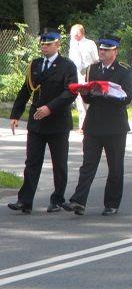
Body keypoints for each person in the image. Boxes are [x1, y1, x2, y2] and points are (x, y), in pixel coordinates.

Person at [63, 35, 132, 216]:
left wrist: (107, 92)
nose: (101, 52)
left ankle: (112, 203)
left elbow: (127, 97)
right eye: (101, 49)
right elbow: (87, 97)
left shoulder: (125, 70)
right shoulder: (93, 69)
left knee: (115, 166)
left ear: (115, 52)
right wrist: (85, 92)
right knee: (88, 164)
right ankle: (78, 201)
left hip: (115, 125)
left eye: (106, 50)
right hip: (94, 124)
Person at [8, 29, 78, 214]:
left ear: (57, 45)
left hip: (58, 122)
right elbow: (26, 90)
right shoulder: (36, 65)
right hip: (37, 122)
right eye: (42, 44)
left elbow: (71, 92)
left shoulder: (67, 66)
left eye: (48, 44)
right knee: (32, 162)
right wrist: (16, 114)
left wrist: (50, 107)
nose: (44, 47)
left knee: (59, 164)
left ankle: (57, 199)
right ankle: (25, 201)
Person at [68, 24, 99, 129]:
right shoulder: (72, 44)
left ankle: (90, 123)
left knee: (88, 98)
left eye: (75, 34)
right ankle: (82, 125)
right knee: (79, 100)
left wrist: (91, 72)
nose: (73, 36)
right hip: (76, 75)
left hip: (88, 74)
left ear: (80, 33)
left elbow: (95, 59)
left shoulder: (90, 44)